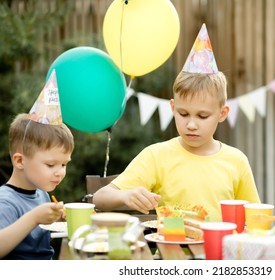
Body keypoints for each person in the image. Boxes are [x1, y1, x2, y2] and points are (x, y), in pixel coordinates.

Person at [93, 24, 260, 221]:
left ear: (222, 113)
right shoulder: (157, 156)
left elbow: (255, 217)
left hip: (222, 251)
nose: (191, 124)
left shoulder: (236, 161)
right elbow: (99, 198)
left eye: (202, 116)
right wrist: (125, 195)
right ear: (172, 108)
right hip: (172, 250)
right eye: (183, 113)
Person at [0, 71, 74, 259]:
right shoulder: (5, 201)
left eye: (64, 164)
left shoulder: (42, 195)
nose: (60, 173)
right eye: (51, 165)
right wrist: (34, 218)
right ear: (19, 161)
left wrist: (56, 219)